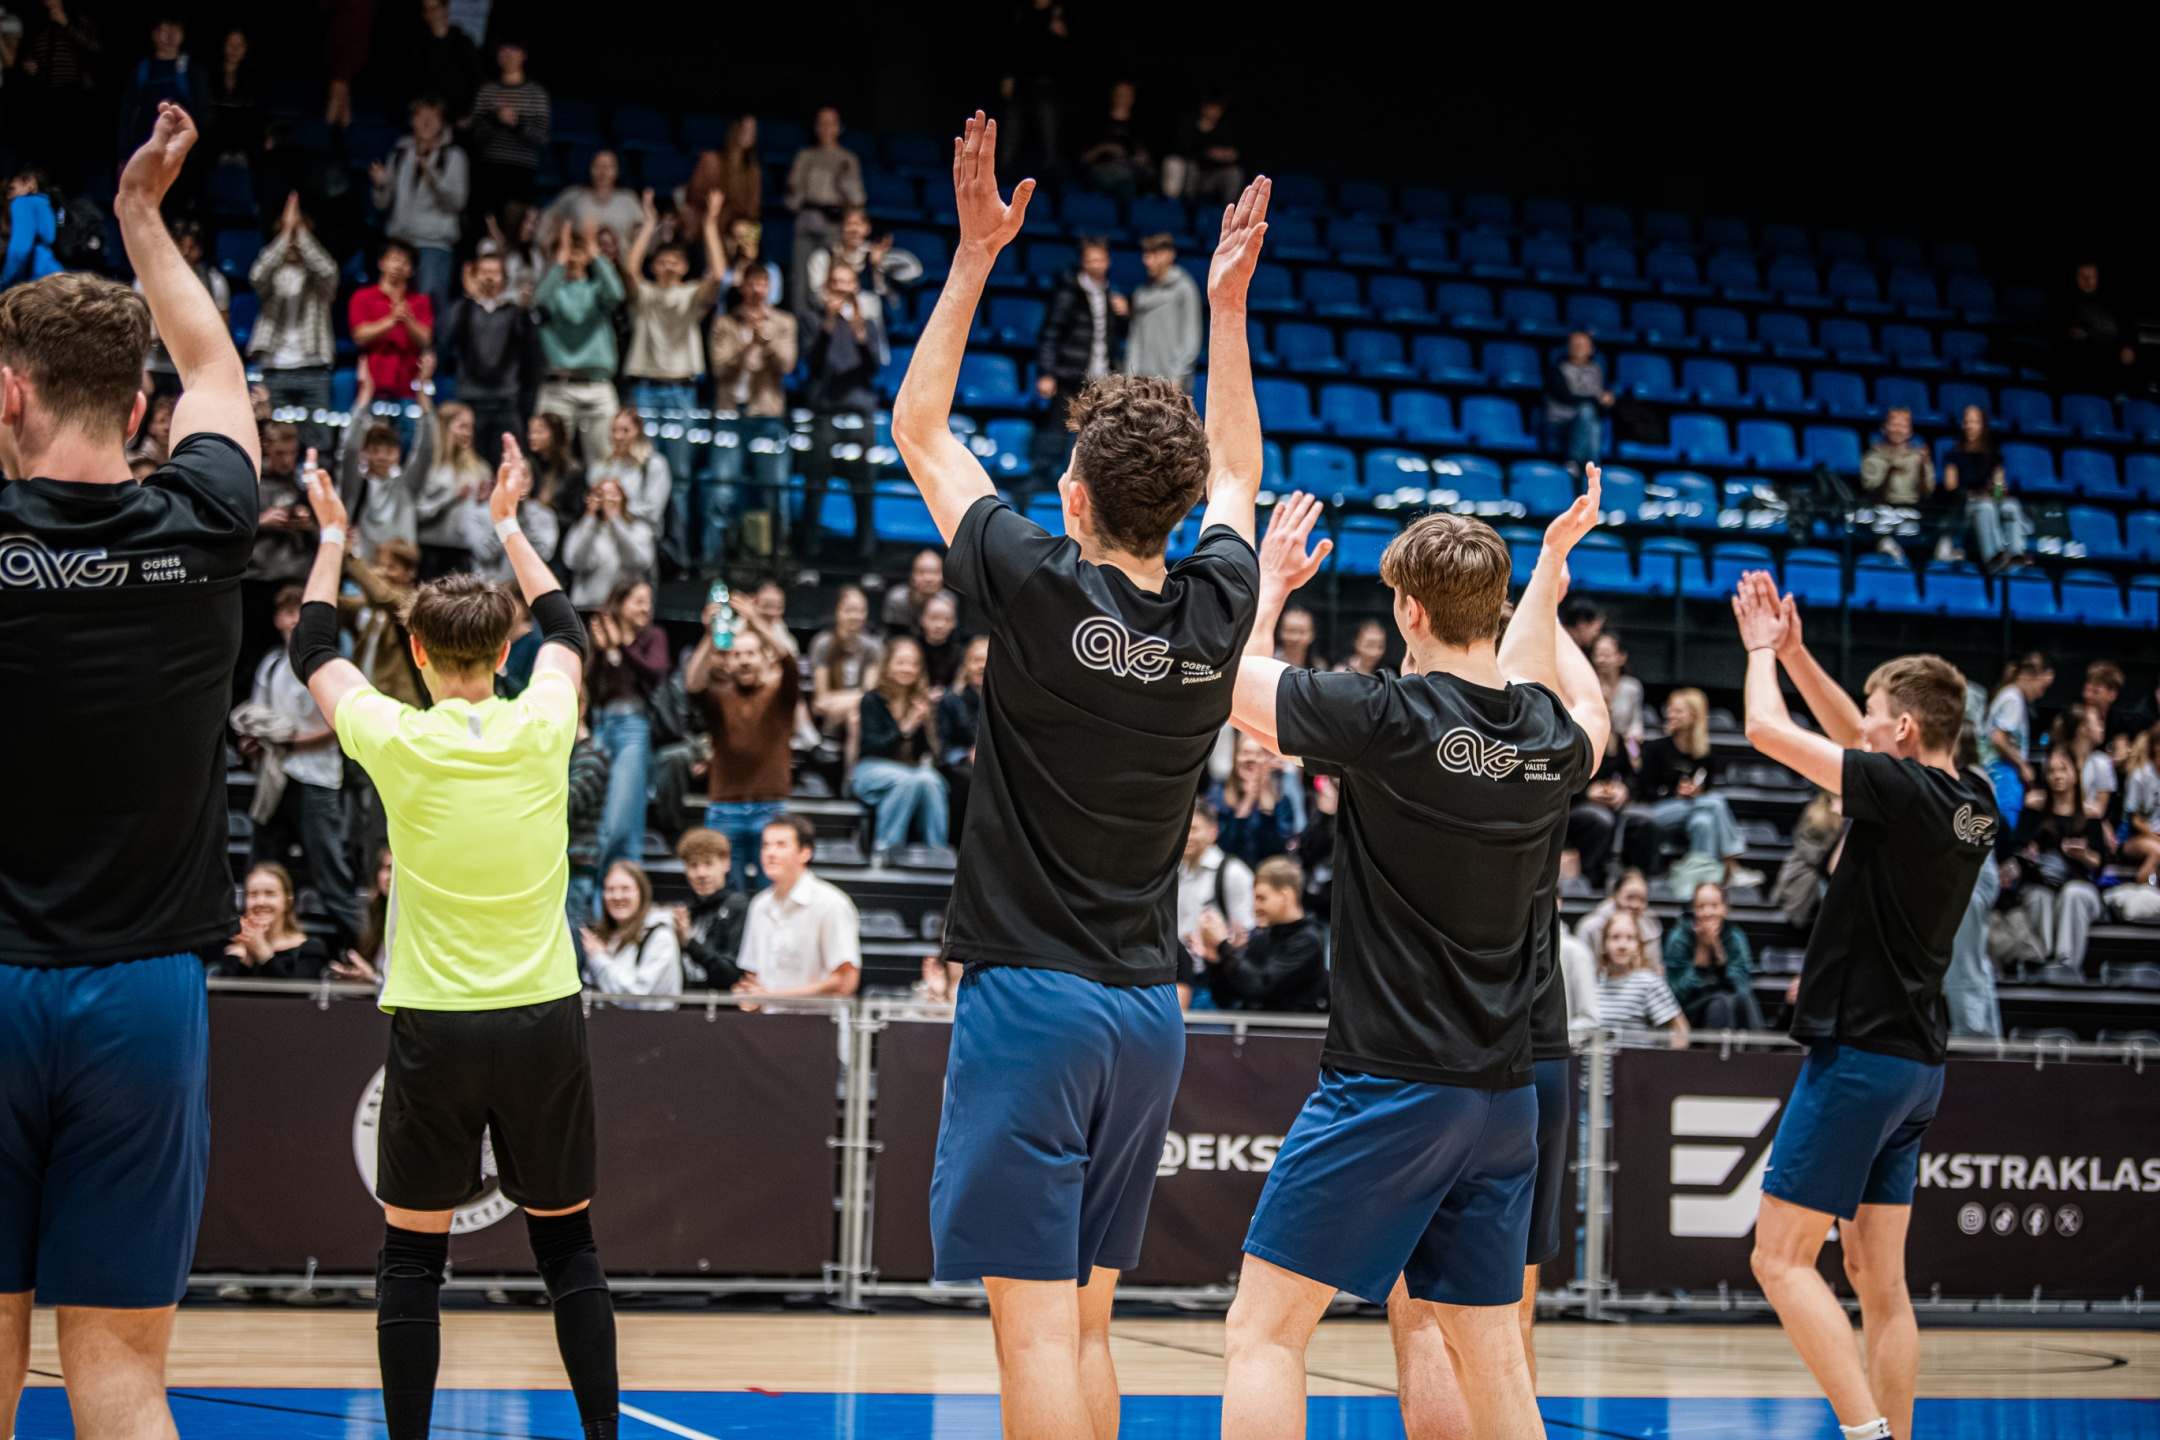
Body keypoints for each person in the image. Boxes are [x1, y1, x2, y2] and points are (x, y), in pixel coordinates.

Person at [890, 116, 1270, 1433]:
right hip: (1148, 1014)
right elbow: (1241, 469)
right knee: (1091, 1323)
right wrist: (1228, 311)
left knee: (1036, 1336)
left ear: (1076, 502)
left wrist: (973, 257)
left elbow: (920, 426)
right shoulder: (1220, 604)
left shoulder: (1038, 585)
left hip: (1035, 1004)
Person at [1216, 475, 1608, 1438]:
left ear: (1409, 611)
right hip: (1504, 1097)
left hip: (1393, 1082)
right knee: (1492, 1357)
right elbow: (1588, 710)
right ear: (1495, 611)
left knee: (1264, 1334)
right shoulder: (1548, 738)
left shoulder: (1383, 717)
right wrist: (1552, 569)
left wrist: (1271, 587)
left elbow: (1229, 685)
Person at [0, 103, 260, 1440]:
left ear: (10, 395)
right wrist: (142, 216)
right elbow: (214, 359)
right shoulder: (206, 521)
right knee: (119, 1380)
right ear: (142, 407)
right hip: (145, 1001)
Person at [293, 420, 618, 1440]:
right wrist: (509, 523)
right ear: (506, 651)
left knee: (410, 1260)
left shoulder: (397, 735)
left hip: (436, 1025)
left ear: (418, 653)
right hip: (542, 1019)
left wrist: (334, 535)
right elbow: (568, 628)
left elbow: (312, 647)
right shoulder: (545, 722)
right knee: (569, 1251)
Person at [1729, 569, 1995, 1440]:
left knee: (1779, 1259)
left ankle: (1864, 1434)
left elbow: (1765, 731)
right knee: (1880, 1283)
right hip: (1918, 1067)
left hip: (1861, 1054)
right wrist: (1800, 656)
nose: (1866, 727)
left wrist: (1761, 654)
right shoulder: (1975, 801)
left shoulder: (1904, 791)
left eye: (1880, 717)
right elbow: (1856, 733)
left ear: (1906, 729)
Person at [247, 583, 362, 952]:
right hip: (276, 777)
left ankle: (363, 954)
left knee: (331, 876)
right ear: (278, 618)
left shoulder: (327, 667)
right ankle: (255, 951)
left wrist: (293, 743)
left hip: (317, 778)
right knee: (261, 872)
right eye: (287, 611)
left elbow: (339, 725)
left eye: (300, 611)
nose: (293, 619)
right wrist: (254, 742)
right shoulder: (272, 664)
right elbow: (259, 715)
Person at [624, 188, 725, 554]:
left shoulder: (692, 295)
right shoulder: (645, 295)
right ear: (655, 265)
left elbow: (718, 274)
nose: (668, 265)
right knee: (642, 472)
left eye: (675, 261)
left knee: (680, 479)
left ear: (684, 267)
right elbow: (629, 270)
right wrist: (649, 224)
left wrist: (710, 224)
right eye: (662, 260)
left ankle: (679, 554)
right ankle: (645, 552)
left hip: (682, 392)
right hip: (645, 391)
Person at [684, 604, 798, 891]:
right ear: (728, 661)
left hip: (770, 806)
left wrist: (757, 621)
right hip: (725, 806)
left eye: (751, 654)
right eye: (737, 655)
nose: (744, 661)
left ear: (764, 658)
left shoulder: (781, 695)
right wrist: (709, 636)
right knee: (723, 893)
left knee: (773, 891)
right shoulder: (719, 695)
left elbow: (790, 663)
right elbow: (693, 683)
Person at [706, 261, 797, 545]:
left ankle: (777, 556)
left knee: (774, 492)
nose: (758, 289)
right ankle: (714, 557)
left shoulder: (783, 323)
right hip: (730, 415)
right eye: (752, 283)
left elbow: (788, 364)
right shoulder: (725, 322)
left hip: (767, 416)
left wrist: (766, 341)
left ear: (770, 288)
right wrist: (747, 344)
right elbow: (719, 368)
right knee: (721, 491)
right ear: (743, 287)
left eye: (763, 283)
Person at [799, 262, 885, 561]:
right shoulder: (812, 320)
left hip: (859, 416)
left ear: (855, 287)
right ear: (827, 287)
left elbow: (874, 367)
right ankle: (809, 557)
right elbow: (812, 362)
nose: (841, 288)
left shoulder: (867, 324)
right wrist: (829, 324)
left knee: (864, 491)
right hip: (824, 414)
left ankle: (866, 559)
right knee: (815, 488)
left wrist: (860, 333)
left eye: (847, 282)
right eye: (836, 282)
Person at [1638, 686, 1761, 888]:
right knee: (1716, 802)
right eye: (1670, 709)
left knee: (1703, 822)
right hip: (1656, 812)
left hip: (1691, 813)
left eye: (1678, 711)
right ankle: (1732, 863)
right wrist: (1674, 792)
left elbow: (1706, 789)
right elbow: (1643, 790)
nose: (1671, 714)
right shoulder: (1656, 748)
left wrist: (1694, 792)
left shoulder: (1704, 754)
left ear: (1694, 717)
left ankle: (1701, 884)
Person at [248, 191, 341, 458]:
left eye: (298, 235)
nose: (293, 241)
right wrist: (285, 232)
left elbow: (329, 271)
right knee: (273, 440)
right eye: (289, 235)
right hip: (275, 368)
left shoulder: (318, 278)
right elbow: (256, 275)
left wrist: (299, 231)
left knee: (319, 443)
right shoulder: (272, 275)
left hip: (314, 368)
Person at [734, 813, 861, 1005]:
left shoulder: (831, 903)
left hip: (815, 1021)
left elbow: (845, 982)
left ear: (805, 852)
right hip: (766, 1021)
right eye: (766, 845)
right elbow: (753, 975)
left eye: (781, 845)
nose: (770, 853)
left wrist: (773, 998)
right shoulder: (759, 905)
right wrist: (750, 996)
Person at [584, 577, 665, 876]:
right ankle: (600, 888)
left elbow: (655, 671)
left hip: (632, 726)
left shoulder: (653, 637)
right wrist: (603, 651)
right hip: (601, 725)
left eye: (649, 602)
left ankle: (622, 882)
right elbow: (590, 688)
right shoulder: (604, 634)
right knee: (599, 815)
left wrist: (622, 645)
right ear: (620, 604)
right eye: (639, 601)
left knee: (622, 818)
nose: (646, 608)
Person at [534, 218, 624, 466]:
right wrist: (558, 262)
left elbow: (617, 293)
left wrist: (595, 253)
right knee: (550, 460)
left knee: (605, 461)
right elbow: (539, 301)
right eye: (567, 252)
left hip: (597, 385)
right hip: (558, 386)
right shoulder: (551, 291)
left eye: (577, 251)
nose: (572, 257)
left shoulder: (596, 291)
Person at [852, 635, 949, 858]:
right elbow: (873, 747)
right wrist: (907, 727)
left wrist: (927, 724)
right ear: (888, 665)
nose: (908, 669)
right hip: (871, 768)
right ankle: (886, 849)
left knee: (932, 781)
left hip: (910, 768)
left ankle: (937, 853)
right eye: (901, 662)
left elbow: (930, 753)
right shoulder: (872, 700)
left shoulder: (921, 702)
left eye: (913, 664)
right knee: (906, 780)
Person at [2009, 749, 2106, 972]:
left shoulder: (2090, 813)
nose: (2057, 776)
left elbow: (2100, 863)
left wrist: (2083, 855)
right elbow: (2017, 849)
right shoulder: (2034, 806)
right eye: (2051, 771)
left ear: (2075, 774)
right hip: (2041, 883)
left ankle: (2065, 966)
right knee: (2038, 897)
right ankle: (2040, 962)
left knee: (2073, 894)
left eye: (2063, 769)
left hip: (2080, 886)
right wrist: (2029, 853)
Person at [372, 98, 469, 318]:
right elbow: (383, 204)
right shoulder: (399, 153)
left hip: (434, 246)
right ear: (412, 120)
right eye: (421, 116)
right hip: (399, 243)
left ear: (442, 123)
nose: (427, 122)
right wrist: (381, 185)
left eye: (433, 117)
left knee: (429, 311)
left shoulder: (454, 157)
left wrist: (431, 175)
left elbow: (457, 202)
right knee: (390, 308)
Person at [1033, 237, 1127, 460]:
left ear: (1108, 261)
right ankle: (1046, 477)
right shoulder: (1068, 294)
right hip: (1069, 375)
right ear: (1083, 262)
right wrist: (1046, 372)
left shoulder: (1110, 295)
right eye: (1091, 260)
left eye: (1100, 260)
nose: (1096, 265)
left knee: (1097, 440)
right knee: (1056, 436)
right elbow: (1050, 334)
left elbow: (1116, 337)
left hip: (1100, 379)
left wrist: (1125, 314)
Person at [1194, 856, 1327, 1012]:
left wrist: (1224, 945)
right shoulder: (1262, 939)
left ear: (1286, 896)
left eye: (1261, 898)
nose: (1255, 907)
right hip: (1256, 1027)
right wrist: (1215, 962)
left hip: (1294, 1027)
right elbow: (1228, 998)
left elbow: (1260, 986)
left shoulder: (1308, 941)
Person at [340, 368, 441, 562]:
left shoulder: (407, 485)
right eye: (374, 449)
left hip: (401, 571)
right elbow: (350, 448)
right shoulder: (354, 486)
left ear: (398, 452)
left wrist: (423, 396)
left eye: (389, 450)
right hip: (362, 571)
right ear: (364, 453)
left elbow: (427, 447)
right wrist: (365, 395)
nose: (382, 456)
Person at [445, 251, 530, 469]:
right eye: (483, 272)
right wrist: (469, 300)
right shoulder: (461, 309)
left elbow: (528, 344)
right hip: (470, 402)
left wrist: (526, 310)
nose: (489, 277)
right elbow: (448, 338)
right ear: (474, 276)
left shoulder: (515, 312)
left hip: (505, 402)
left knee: (510, 464)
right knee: (472, 468)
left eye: (494, 272)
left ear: (504, 279)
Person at [784, 106, 865, 314]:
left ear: (839, 127)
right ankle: (803, 324)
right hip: (807, 224)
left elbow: (857, 200)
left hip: (835, 226)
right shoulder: (805, 156)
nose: (827, 128)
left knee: (834, 276)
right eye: (822, 123)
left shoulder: (848, 158)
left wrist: (845, 182)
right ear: (816, 127)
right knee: (801, 280)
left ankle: (833, 324)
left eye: (832, 124)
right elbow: (793, 196)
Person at [805, 205, 923, 339]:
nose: (854, 230)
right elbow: (817, 295)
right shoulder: (825, 257)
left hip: (869, 330)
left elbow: (914, 271)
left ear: (867, 228)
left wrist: (879, 262)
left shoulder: (873, 254)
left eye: (858, 224)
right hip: (835, 328)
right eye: (849, 224)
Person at [465, 39, 550, 221]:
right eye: (504, 50)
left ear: (523, 55)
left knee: (516, 222)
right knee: (485, 221)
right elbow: (475, 135)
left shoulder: (536, 93)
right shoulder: (487, 90)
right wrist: (496, 120)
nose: (509, 55)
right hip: (489, 168)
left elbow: (541, 138)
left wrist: (516, 125)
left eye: (514, 49)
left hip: (522, 170)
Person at [1939, 405, 2030, 573]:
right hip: (1965, 509)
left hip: (1990, 501)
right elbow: (1951, 490)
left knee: (2011, 505)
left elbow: (1999, 488)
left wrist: (1998, 492)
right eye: (1967, 421)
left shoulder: (1992, 455)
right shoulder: (1952, 454)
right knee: (1985, 507)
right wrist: (1975, 495)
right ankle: (1993, 557)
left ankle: (2015, 554)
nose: (1970, 426)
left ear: (1982, 425)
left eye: (1974, 422)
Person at [578, 860, 681, 1004]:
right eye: (610, 889)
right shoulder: (604, 937)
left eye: (625, 889)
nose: (617, 896)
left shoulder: (660, 938)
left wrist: (599, 958)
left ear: (642, 893)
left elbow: (636, 996)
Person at [1662, 880, 1762, 1030]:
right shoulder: (1678, 938)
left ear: (1724, 909)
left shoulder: (1735, 937)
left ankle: (1758, 1046)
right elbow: (1676, 994)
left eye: (1714, 906)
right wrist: (1700, 961)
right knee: (1720, 1003)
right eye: (1701, 906)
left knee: (1744, 1000)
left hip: (1730, 1004)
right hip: (1690, 1011)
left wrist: (1719, 956)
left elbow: (1742, 986)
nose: (1707, 913)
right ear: (1694, 910)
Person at [208, 862, 329, 979]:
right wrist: (247, 959)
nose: (260, 902)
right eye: (253, 894)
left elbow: (296, 991)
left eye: (270, 894)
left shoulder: (311, 948)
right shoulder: (233, 952)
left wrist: (262, 951)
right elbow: (229, 992)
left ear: (288, 901)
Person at [114, 16, 208, 163]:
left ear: (183, 34)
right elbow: (126, 115)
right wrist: (123, 156)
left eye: (175, 29)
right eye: (164, 29)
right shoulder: (141, 71)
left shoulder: (193, 72)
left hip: (184, 158)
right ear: (154, 33)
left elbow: (205, 116)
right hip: (144, 154)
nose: (170, 35)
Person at [352, 240, 436, 402]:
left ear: (411, 270)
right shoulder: (363, 297)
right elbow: (360, 336)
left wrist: (408, 318)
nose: (398, 266)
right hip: (372, 385)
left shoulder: (421, 301)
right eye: (393, 259)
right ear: (381, 263)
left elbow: (426, 340)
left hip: (409, 386)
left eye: (405, 262)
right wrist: (392, 319)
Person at [1592, 908, 1688, 1046]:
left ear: (1638, 945)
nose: (1622, 945)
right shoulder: (1593, 984)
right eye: (1615, 937)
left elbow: (1681, 1031)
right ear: (1604, 945)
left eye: (1630, 938)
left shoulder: (1648, 983)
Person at [561, 476, 654, 607]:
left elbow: (640, 561)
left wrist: (615, 520)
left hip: (621, 610)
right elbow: (576, 562)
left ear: (623, 498)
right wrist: (590, 519)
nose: (606, 499)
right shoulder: (580, 529)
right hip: (586, 608)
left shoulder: (639, 530)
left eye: (612, 494)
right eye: (600, 494)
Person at [672, 828, 748, 989]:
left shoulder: (738, 907)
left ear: (726, 863)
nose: (701, 873)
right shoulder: (687, 909)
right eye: (693, 865)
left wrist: (689, 942)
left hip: (722, 1002)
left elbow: (731, 975)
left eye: (708, 863)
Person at [1127, 233, 1203, 391]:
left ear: (1170, 255)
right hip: (1141, 382)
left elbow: (1191, 337)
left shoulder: (1185, 289)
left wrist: (1178, 376)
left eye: (1154, 255)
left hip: (1173, 383)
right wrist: (1130, 376)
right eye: (1146, 255)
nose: (1147, 261)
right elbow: (1135, 340)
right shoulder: (1141, 294)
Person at [587, 406, 672, 546]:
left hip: (638, 533)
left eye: (625, 431)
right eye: (614, 430)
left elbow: (652, 510)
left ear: (638, 432)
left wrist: (616, 510)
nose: (618, 436)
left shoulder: (654, 464)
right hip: (604, 534)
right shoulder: (600, 466)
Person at [1179, 796, 1256, 949]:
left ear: (1213, 832)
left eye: (1193, 829)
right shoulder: (1176, 871)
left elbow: (1246, 933)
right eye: (1182, 829)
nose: (1187, 836)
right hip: (1178, 962)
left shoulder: (1233, 873)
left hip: (1216, 961)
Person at [1213, 731, 1298, 868]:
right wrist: (1246, 802)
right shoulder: (1219, 794)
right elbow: (1224, 846)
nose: (1251, 759)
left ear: (1267, 760)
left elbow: (1278, 851)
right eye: (1245, 753)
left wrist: (1266, 803)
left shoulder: (1282, 800)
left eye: (1258, 754)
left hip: (1268, 873)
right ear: (1235, 757)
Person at [1858, 407, 1935, 560]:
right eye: (1894, 424)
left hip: (1910, 510)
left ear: (1910, 431)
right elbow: (1871, 491)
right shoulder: (1872, 457)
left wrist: (1923, 467)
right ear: (1884, 427)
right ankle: (1887, 548)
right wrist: (1889, 472)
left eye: (1903, 425)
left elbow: (1928, 492)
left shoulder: (1919, 458)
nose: (1898, 430)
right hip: (1880, 509)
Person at [1985, 652, 2052, 819]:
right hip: (2002, 776)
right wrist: (2023, 766)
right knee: (2004, 827)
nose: (2041, 694)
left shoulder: (2007, 694)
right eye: (2042, 687)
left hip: (1996, 773)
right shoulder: (2014, 699)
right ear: (2029, 676)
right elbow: (1998, 737)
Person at [808, 585, 882, 736]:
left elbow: (870, 693)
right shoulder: (823, 643)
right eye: (849, 610)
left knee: (854, 716)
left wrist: (837, 701)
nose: (855, 616)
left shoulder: (873, 647)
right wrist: (859, 698)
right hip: (828, 710)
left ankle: (830, 741)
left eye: (860, 611)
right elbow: (821, 696)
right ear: (837, 612)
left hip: (849, 709)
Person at [543, 149, 643, 257]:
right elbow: (547, 224)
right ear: (590, 168)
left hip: (620, 264)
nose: (603, 172)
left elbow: (644, 234)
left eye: (608, 167)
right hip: (578, 262)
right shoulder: (572, 196)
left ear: (617, 171)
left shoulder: (628, 200)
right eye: (598, 166)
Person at [938, 633, 990, 838]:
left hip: (992, 762)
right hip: (958, 764)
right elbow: (943, 746)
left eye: (986, 660)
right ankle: (959, 843)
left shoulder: (1005, 703)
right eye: (976, 660)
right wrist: (966, 754)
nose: (981, 666)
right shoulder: (950, 700)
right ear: (966, 665)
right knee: (968, 778)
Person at [2058, 261, 2138, 390]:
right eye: (2082, 276)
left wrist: (2128, 346)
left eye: (2091, 276)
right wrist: (2070, 332)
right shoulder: (2065, 302)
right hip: (2079, 358)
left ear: (2098, 277)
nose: (2087, 281)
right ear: (2075, 277)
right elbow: (2054, 327)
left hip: (2113, 357)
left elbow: (2129, 327)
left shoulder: (2115, 300)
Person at [1544, 330, 1613, 473]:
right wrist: (1596, 399)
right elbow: (1567, 398)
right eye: (1575, 344)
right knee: (1587, 411)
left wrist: (1606, 401)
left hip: (1586, 424)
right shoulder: (1557, 369)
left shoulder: (1595, 370)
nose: (1578, 348)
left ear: (1591, 349)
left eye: (1583, 345)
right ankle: (1588, 467)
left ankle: (1580, 467)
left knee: (1593, 421)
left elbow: (1598, 404)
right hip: (1560, 423)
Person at [1077, 81, 1152, 201]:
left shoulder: (1141, 126)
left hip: (1132, 171)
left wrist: (1143, 158)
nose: (1123, 99)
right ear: (1113, 95)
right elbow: (1083, 158)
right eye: (1120, 94)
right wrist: (1105, 148)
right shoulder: (1097, 124)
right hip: (1104, 172)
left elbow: (1147, 159)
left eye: (1128, 95)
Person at [1575, 866, 1661, 963]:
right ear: (1615, 896)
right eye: (1629, 897)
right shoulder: (1590, 928)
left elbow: (1655, 967)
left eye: (1642, 899)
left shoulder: (1651, 928)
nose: (1635, 905)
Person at [1166, 95, 1241, 204]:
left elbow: (1234, 152)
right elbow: (1183, 150)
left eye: (1219, 109)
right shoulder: (1190, 124)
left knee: (1235, 173)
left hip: (1215, 174)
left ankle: (1230, 208)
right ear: (1204, 107)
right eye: (1213, 107)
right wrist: (1208, 153)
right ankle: (1187, 206)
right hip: (1193, 173)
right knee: (1189, 166)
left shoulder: (1224, 128)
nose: (1216, 112)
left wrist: (1224, 155)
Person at [1, 168, 62, 287]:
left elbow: (20, 250)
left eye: (15, 181)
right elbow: (50, 237)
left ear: (30, 183)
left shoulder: (23, 203)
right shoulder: (43, 203)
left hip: (35, 284)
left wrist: (7, 284)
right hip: (54, 277)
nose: (11, 184)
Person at [1589, 630, 1643, 754]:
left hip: (1622, 747)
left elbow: (1635, 722)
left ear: (1621, 657)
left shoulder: (1632, 687)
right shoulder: (1588, 685)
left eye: (1606, 655)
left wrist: (1634, 750)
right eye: (1597, 654)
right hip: (1594, 746)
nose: (1600, 660)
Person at [2121, 724, 2160, 884]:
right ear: (2157, 747)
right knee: (2157, 851)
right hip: (2133, 838)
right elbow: (2135, 820)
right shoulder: (2139, 776)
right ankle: (2143, 888)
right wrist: (2155, 837)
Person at [882, 547, 952, 633]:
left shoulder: (948, 601)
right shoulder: (897, 599)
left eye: (934, 572)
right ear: (912, 576)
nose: (928, 578)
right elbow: (894, 634)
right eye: (922, 572)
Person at [1274, 605, 1323, 670]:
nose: (1295, 638)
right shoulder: (1270, 661)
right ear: (1280, 633)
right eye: (1290, 631)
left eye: (1302, 632)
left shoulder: (1318, 667)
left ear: (1312, 635)